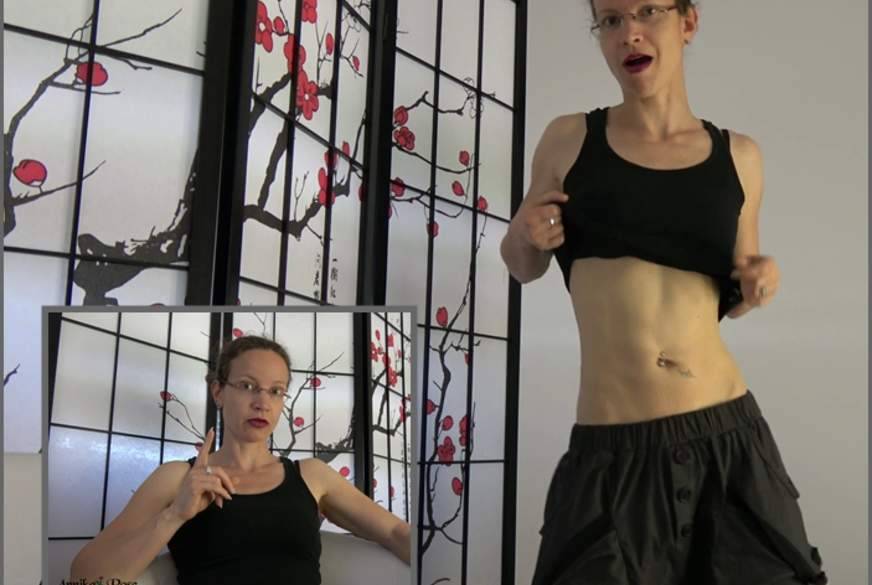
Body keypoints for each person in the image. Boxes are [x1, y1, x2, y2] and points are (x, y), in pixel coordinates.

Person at [500, 1, 827, 584]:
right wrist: (526, 234)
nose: (629, 32)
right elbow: (522, 266)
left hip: (727, 441)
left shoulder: (741, 156)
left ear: (687, 21)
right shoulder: (568, 138)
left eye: (647, 11)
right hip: (610, 454)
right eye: (611, 19)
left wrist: (759, 283)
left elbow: (737, 289)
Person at [69, 335, 411, 584]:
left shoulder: (312, 475)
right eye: (248, 386)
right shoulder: (178, 478)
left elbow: (396, 531)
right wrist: (174, 516)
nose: (262, 402)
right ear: (218, 391)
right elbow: (85, 576)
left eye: (275, 391)